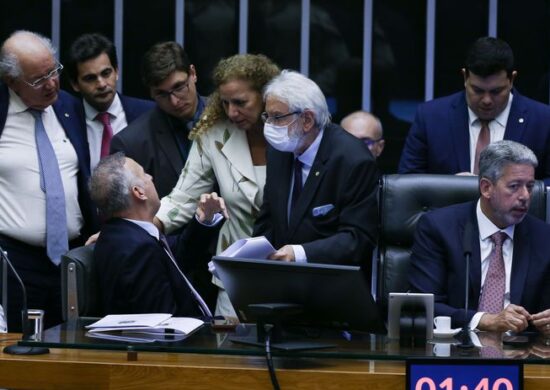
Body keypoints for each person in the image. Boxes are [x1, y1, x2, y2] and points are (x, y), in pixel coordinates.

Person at [155, 54, 280, 317]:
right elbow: (182, 198)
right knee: (230, 355)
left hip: (288, 273)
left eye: (241, 102)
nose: (232, 112)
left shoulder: (290, 130)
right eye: (224, 103)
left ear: (266, 95)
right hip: (235, 278)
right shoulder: (214, 132)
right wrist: (142, 227)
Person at [0, 30, 98, 331]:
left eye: (53, 71)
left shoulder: (68, 106)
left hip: (72, 257)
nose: (51, 83)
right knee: (20, 352)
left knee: (71, 347)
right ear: (12, 81)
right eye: (38, 79)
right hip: (15, 261)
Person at [409, 140, 550, 334]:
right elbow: (423, 305)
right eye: (514, 186)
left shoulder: (543, 237)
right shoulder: (438, 228)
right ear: (486, 188)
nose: (525, 196)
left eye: (530, 186)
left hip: (521, 352)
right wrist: (483, 320)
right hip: (454, 349)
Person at [253, 70, 379, 270]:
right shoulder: (279, 152)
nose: (269, 125)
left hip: (331, 284)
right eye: (267, 116)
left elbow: (357, 239)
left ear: (307, 120)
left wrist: (299, 253)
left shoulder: (353, 160)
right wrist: (245, 258)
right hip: (280, 281)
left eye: (277, 117)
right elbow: (268, 220)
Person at [398, 37, 550, 184]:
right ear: (465, 77)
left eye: (496, 91)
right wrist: (446, 187)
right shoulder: (431, 117)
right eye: (477, 90)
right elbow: (408, 183)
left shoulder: (543, 121)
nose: (486, 100)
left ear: (512, 80)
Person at [90, 152, 214, 317]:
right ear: (139, 192)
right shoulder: (138, 249)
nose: (150, 177)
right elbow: (163, 324)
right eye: (144, 174)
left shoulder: (125, 234)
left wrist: (204, 220)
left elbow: (176, 255)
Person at [110, 41, 206, 199]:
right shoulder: (131, 143)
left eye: (180, 87)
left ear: (193, 73)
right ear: (151, 93)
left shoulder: (229, 117)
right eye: (162, 94)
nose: (175, 101)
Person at [66, 33, 154, 172]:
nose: (101, 84)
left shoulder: (147, 114)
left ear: (116, 71)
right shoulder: (67, 122)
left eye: (106, 73)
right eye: (90, 78)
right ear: (75, 84)